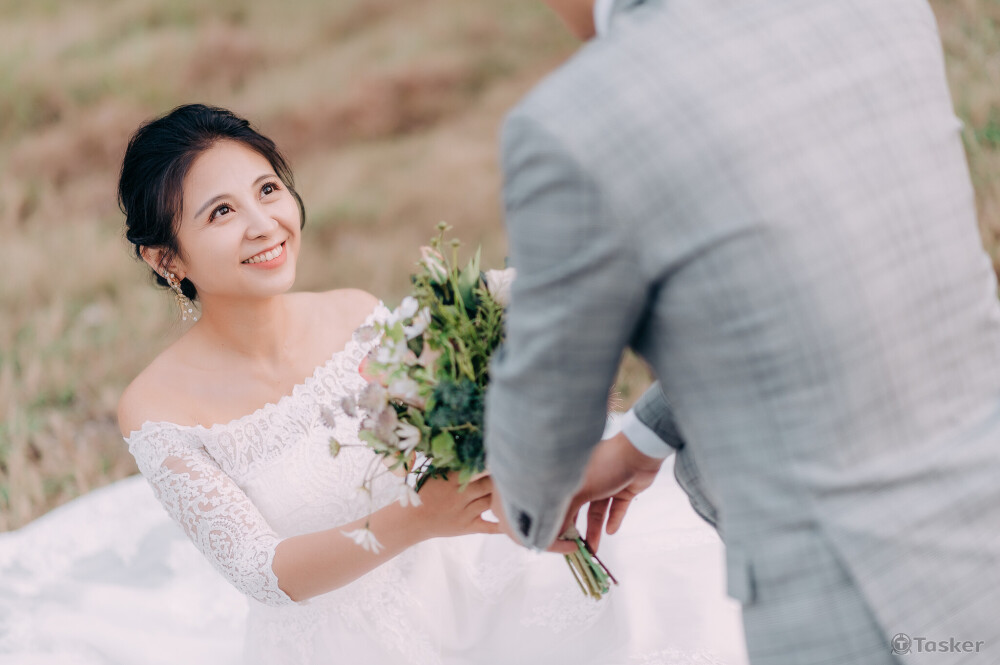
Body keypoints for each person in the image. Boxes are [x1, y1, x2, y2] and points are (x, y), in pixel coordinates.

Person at [113, 103, 747, 665]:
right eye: (223, 212)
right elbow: (261, 571)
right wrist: (416, 519)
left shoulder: (352, 311)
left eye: (268, 189)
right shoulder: (156, 407)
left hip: (469, 571)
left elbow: (447, 437)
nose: (264, 224)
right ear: (166, 259)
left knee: (657, 602)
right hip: (349, 641)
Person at [484, 1, 1000, 664]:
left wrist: (521, 495)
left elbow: (543, 448)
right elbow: (838, 283)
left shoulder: (577, 123)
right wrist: (642, 437)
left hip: (860, 608)